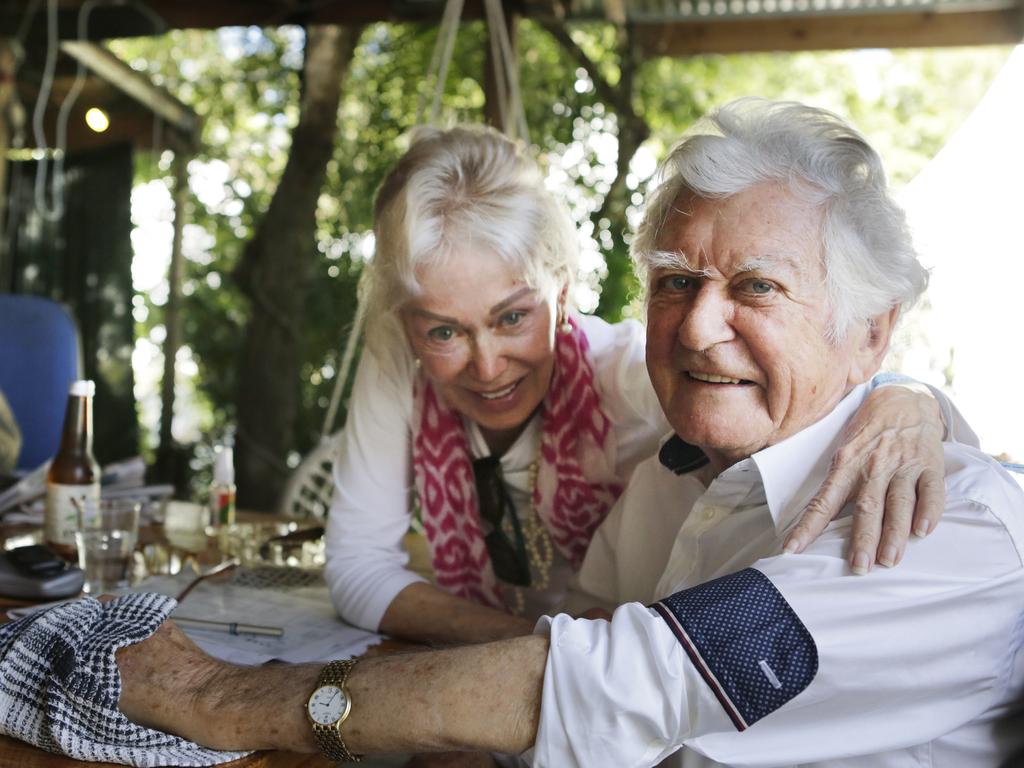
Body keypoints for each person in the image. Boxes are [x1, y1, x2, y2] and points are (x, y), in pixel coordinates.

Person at [2, 101, 1018, 767]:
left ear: (874, 329)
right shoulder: (684, 479)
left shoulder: (944, 523)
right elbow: (583, 639)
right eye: (675, 283)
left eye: (756, 286)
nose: (700, 327)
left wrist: (239, 702)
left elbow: (617, 676)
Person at [325, 124, 961, 647]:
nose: (487, 367)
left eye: (513, 317)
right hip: (558, 666)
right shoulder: (400, 374)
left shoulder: (639, 376)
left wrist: (908, 396)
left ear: (562, 294)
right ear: (407, 328)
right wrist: (535, 651)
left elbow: (804, 404)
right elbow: (356, 570)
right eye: (444, 333)